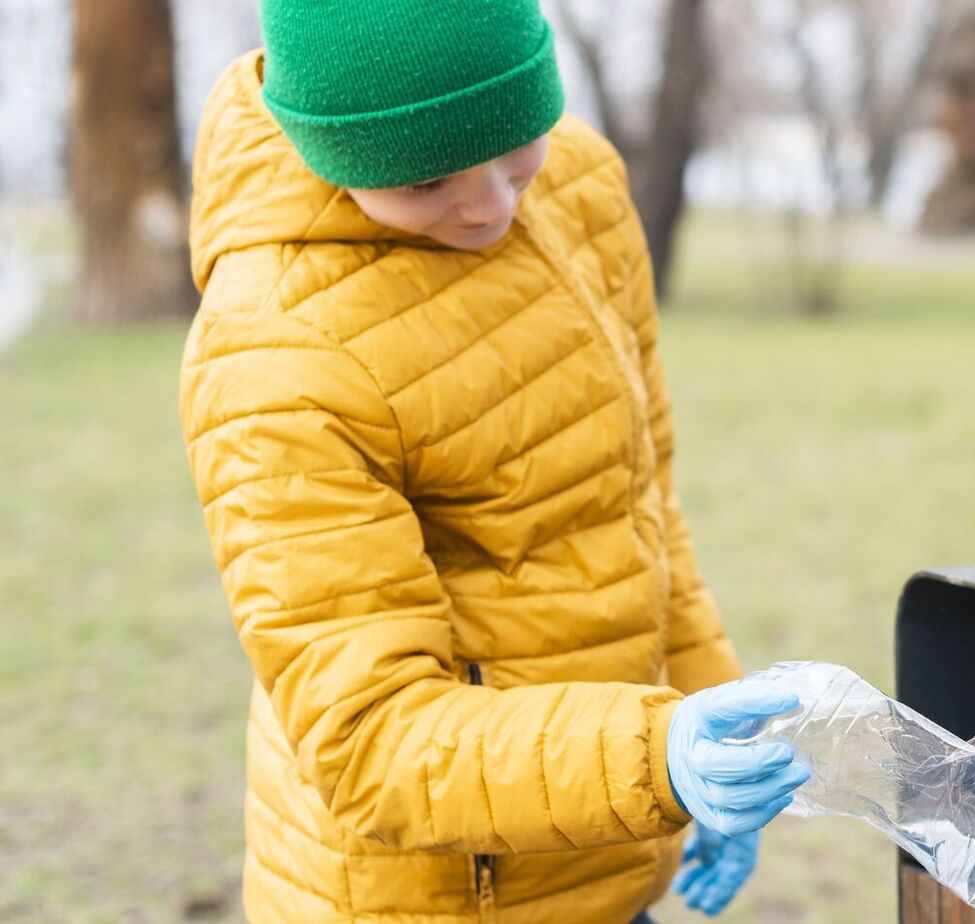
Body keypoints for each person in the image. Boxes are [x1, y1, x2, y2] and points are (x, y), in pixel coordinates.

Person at [178, 1, 806, 920]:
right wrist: (656, 755)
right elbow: (368, 736)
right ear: (328, 145)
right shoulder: (274, 353)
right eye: (426, 177)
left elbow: (638, 504)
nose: (491, 204)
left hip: (609, 842)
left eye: (515, 140)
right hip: (434, 894)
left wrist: (713, 716)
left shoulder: (581, 185)